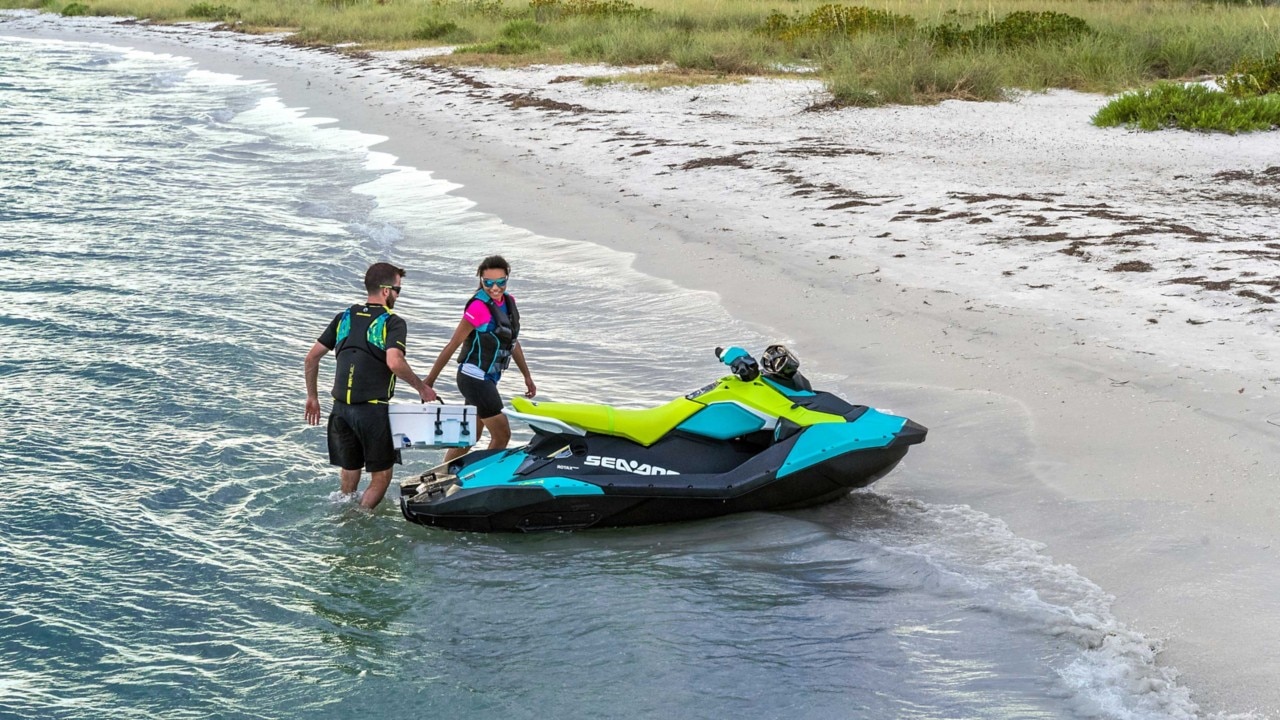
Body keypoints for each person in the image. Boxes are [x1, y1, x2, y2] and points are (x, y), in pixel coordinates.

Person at [304, 262, 438, 509]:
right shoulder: (392, 322)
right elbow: (394, 361)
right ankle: (360, 519)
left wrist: (312, 397)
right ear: (386, 291)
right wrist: (422, 388)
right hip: (371, 411)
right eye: (398, 290)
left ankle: (345, 514)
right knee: (382, 476)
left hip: (340, 410)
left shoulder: (344, 317)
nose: (398, 295)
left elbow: (312, 357)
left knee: (350, 468)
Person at [425, 255, 536, 462]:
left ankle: (441, 477)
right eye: (488, 283)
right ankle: (481, 481)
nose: (495, 288)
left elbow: (512, 342)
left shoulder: (509, 302)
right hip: (473, 378)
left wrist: (527, 376)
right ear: (481, 281)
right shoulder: (478, 307)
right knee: (502, 435)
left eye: (500, 282)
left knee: (469, 437)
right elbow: (453, 344)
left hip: (487, 379)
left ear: (507, 279)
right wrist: (429, 382)